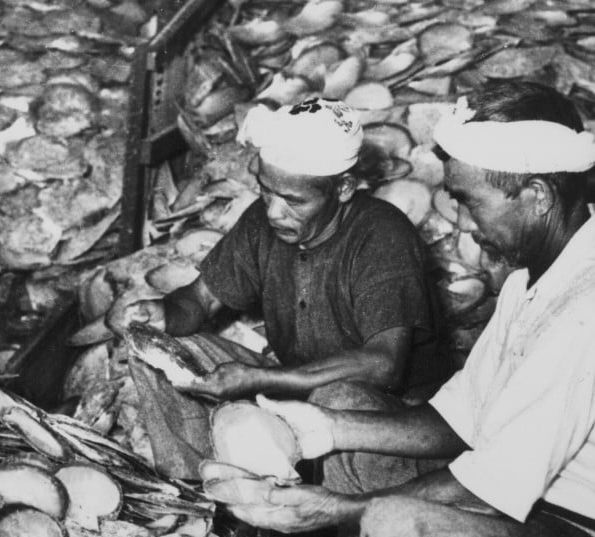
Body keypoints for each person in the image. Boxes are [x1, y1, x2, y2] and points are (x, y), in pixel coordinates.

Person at [239, 82, 595, 537]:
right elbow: (456, 421)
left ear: (535, 195)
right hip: (529, 518)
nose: (459, 218)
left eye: (469, 201)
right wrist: (325, 427)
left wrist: (336, 509)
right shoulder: (531, 279)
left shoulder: (585, 311)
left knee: (399, 527)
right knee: (344, 401)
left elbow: (490, 487)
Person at [117, 98, 449, 479]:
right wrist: (165, 313)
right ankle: (206, 498)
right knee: (160, 355)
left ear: (342, 188)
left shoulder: (381, 235)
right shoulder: (262, 223)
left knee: (337, 398)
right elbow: (198, 300)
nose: (274, 211)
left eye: (293, 200)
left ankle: (335, 529)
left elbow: (382, 365)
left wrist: (261, 379)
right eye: (266, 191)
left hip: (389, 410)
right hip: (293, 386)